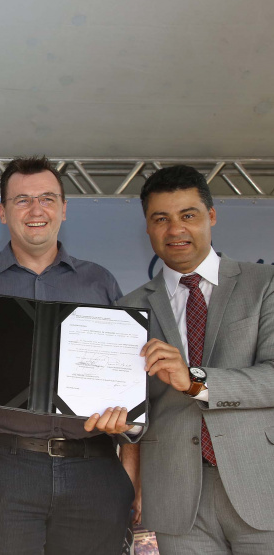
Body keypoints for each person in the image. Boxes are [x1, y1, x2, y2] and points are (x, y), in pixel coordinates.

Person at [0, 156, 134, 554]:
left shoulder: (99, 282)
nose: (36, 210)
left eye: (47, 199)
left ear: (64, 209)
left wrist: (125, 417)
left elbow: (127, 376)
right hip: (5, 467)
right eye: (22, 200)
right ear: (3, 212)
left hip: (94, 469)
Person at [115, 165, 274, 554]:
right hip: (174, 494)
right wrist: (123, 426)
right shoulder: (128, 309)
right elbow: (133, 411)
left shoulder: (264, 284)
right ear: (147, 227)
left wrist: (195, 380)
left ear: (211, 216)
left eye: (188, 215)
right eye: (161, 219)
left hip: (259, 484)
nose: (176, 229)